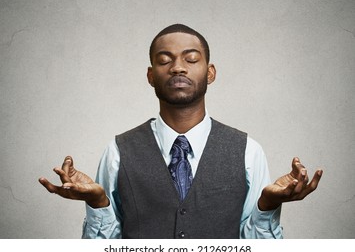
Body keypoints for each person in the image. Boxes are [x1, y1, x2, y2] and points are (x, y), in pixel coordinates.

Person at [39, 24, 323, 239]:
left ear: (210, 72)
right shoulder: (117, 151)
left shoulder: (248, 151)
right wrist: (97, 203)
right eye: (164, 60)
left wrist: (267, 205)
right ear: (151, 76)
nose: (178, 68)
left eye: (190, 59)